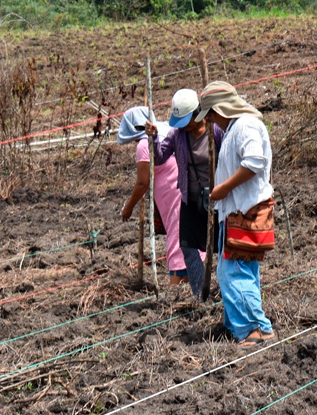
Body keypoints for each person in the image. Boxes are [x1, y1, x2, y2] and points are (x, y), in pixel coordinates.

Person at [195, 81, 276, 346]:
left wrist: (222, 189)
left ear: (220, 109)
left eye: (210, 114)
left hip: (245, 211)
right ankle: (254, 326)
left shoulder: (245, 126)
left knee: (234, 272)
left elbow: (254, 163)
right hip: (237, 212)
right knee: (240, 270)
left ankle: (251, 331)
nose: (210, 121)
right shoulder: (236, 128)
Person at [145, 89, 223, 299]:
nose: (184, 126)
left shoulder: (215, 131)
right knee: (187, 247)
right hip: (190, 200)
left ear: (197, 114)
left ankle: (225, 288)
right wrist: (153, 139)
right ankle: (200, 294)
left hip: (218, 199)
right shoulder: (177, 136)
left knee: (222, 245)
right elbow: (160, 158)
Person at [117, 107, 186, 285]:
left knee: (177, 240)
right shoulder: (163, 133)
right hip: (182, 190)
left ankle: (176, 290)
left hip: (172, 195)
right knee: (185, 239)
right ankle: (189, 285)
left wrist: (128, 208)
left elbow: (142, 182)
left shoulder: (143, 145)